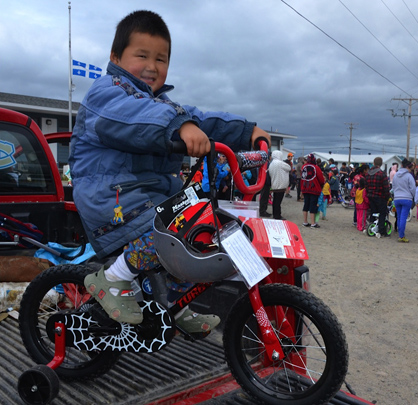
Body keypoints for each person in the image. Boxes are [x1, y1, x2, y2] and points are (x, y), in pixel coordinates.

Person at [69, 11, 270, 332]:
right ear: (115, 57)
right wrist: (179, 126)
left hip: (148, 195)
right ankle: (111, 278)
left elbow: (200, 118)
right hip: (112, 197)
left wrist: (247, 132)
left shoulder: (162, 104)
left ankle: (173, 304)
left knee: (195, 229)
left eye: (161, 59)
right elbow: (134, 117)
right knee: (164, 236)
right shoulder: (106, 94)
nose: (152, 66)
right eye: (141, 55)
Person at [365, 157, 390, 237]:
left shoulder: (368, 173)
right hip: (380, 197)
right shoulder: (382, 174)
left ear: (374, 163)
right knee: (382, 213)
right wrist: (387, 197)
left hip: (370, 196)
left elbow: (366, 186)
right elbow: (386, 188)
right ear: (381, 164)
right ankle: (381, 230)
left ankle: (372, 226)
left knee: (373, 212)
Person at [392, 159, 416, 242]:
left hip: (397, 198)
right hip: (407, 198)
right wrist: (412, 196)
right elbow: (413, 188)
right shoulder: (409, 176)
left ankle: (400, 234)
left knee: (399, 217)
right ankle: (401, 236)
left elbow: (393, 186)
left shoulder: (395, 175)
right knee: (403, 217)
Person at [301, 154, 325, 228]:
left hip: (305, 188)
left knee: (306, 204)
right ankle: (313, 223)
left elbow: (302, 177)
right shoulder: (316, 168)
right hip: (314, 189)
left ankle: (305, 221)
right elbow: (321, 179)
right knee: (313, 205)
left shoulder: (303, 167)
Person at [267, 150, 291, 220]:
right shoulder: (280, 163)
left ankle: (275, 214)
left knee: (275, 201)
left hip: (274, 185)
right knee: (278, 201)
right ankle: (277, 215)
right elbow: (289, 168)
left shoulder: (272, 164)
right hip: (281, 185)